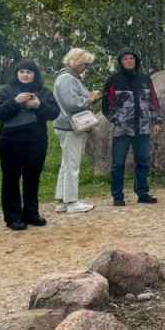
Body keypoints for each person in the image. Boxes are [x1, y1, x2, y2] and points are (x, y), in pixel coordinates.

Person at [0, 60, 60, 230]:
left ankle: (31, 213)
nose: (25, 75)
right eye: (22, 72)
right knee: (11, 178)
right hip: (10, 141)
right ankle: (13, 217)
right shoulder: (6, 91)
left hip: (36, 141)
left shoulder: (43, 92)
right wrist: (14, 102)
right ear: (16, 74)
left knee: (32, 177)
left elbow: (54, 113)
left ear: (35, 74)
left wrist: (38, 105)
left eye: (29, 72)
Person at [101, 49, 161, 207]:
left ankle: (143, 193)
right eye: (125, 58)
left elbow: (153, 101)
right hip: (122, 130)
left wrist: (156, 121)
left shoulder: (145, 79)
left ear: (136, 60)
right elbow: (107, 105)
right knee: (118, 164)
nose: (129, 61)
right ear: (120, 62)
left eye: (131, 58)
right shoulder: (113, 80)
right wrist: (117, 120)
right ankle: (117, 195)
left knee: (143, 162)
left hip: (142, 128)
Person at [53, 48, 101, 214]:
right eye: (85, 64)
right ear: (77, 62)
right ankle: (72, 202)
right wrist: (91, 98)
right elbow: (72, 103)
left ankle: (62, 200)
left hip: (65, 125)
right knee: (72, 165)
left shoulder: (67, 76)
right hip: (70, 126)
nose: (86, 68)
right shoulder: (67, 78)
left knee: (66, 164)